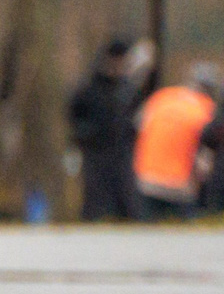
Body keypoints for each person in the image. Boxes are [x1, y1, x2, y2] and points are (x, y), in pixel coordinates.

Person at [69, 38, 147, 222]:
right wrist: (86, 134)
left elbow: (136, 117)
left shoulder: (128, 90)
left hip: (123, 153)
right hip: (96, 153)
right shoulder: (89, 89)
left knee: (128, 202)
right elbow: (74, 115)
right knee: (95, 201)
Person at [132, 65, 222, 219]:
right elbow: (205, 156)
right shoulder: (207, 109)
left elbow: (138, 126)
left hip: (145, 179)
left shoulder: (161, 97)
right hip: (179, 185)